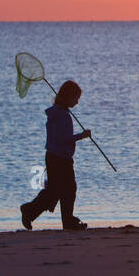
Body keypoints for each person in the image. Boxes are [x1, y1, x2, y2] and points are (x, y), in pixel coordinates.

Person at [20, 80, 91, 231]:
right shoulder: (62, 115)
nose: (77, 102)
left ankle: (63, 219)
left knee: (59, 191)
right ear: (69, 97)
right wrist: (81, 136)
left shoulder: (57, 113)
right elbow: (62, 139)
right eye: (76, 98)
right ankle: (32, 211)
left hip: (55, 157)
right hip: (60, 159)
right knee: (65, 189)